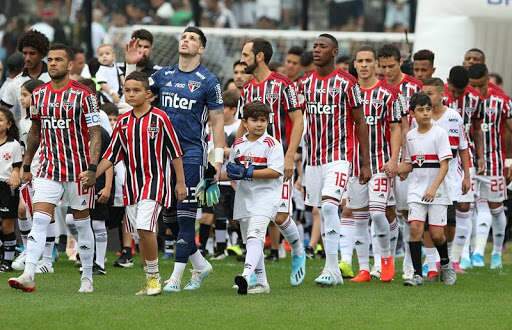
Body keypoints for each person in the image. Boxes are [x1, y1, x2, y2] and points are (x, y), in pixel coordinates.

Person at [7, 44, 102, 293]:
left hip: (78, 170)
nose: (53, 63)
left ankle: (87, 277)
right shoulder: (38, 95)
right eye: (50, 60)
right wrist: (27, 164)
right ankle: (29, 273)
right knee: (39, 219)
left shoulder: (85, 96)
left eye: (59, 60)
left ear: (70, 65)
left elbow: (95, 134)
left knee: (81, 224)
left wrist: (92, 168)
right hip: (48, 168)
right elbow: (36, 131)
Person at [150, 27, 226, 293]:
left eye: (193, 38)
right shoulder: (162, 75)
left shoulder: (208, 80)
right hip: (162, 154)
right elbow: (134, 91)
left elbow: (217, 122)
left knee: (185, 216)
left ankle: (175, 277)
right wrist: (132, 62)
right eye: (184, 37)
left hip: (192, 153)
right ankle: (201, 264)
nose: (186, 40)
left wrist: (217, 161)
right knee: (168, 215)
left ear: (201, 48)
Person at [97, 71, 186, 296]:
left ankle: (154, 279)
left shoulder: (160, 118)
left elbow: (175, 152)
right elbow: (111, 154)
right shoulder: (124, 122)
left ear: (148, 94)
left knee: (146, 227)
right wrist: (92, 175)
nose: (131, 94)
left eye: (136, 90)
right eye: (127, 90)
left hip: (156, 183)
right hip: (133, 186)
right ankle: (150, 280)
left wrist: (181, 183)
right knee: (141, 232)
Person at [296, 34, 370, 286]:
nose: (317, 50)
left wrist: (365, 162)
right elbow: (296, 120)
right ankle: (328, 266)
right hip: (314, 160)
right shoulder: (304, 83)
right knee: (320, 209)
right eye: (315, 46)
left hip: (340, 157)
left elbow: (361, 122)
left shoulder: (348, 83)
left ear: (334, 51)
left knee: (329, 206)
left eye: (322, 47)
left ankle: (332, 268)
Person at [237, 37, 306, 286]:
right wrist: (233, 155)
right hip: (253, 164)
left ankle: (298, 249)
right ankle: (257, 279)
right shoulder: (247, 89)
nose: (242, 58)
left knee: (278, 217)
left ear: (259, 57)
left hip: (278, 161)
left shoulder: (283, 84)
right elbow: (241, 127)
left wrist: (290, 156)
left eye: (246, 54)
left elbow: (298, 120)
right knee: (253, 221)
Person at [343, 46, 402, 283]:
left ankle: (385, 260)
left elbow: (397, 127)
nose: (365, 65)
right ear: (355, 64)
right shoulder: (347, 92)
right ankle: (365, 269)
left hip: (379, 163)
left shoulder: (389, 94)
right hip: (354, 165)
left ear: (375, 64)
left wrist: (394, 158)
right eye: (360, 61)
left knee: (378, 214)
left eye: (369, 61)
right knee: (358, 216)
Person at [225, 101, 283, 294]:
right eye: (254, 120)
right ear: (245, 122)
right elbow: (233, 170)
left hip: (266, 197)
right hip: (244, 197)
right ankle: (262, 283)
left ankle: (246, 275)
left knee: (255, 235)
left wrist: (247, 172)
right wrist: (211, 178)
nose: (259, 124)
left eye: (263, 120)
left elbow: (275, 171)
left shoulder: (272, 144)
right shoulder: (238, 143)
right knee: (252, 241)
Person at [398, 92, 456, 287]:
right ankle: (416, 274)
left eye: (428, 109)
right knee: (415, 228)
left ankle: (446, 265)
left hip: (437, 191)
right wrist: (396, 169)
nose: (425, 113)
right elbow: (410, 164)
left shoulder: (440, 133)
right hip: (416, 190)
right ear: (412, 113)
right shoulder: (410, 136)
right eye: (420, 110)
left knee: (437, 234)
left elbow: (444, 166)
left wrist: (432, 188)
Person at [378, 43, 422, 279]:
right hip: (382, 155)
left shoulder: (414, 87)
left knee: (406, 212)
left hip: (409, 157)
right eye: (383, 66)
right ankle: (385, 261)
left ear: (399, 62)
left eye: (391, 66)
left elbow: (417, 124)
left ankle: (408, 263)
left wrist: (407, 159)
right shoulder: (377, 86)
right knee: (385, 210)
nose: (387, 71)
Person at [422, 78, 471, 277]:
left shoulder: (453, 117)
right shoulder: (421, 117)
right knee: (427, 224)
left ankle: (447, 260)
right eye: (424, 93)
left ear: (442, 94)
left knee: (448, 225)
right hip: (426, 178)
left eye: (431, 93)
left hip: (450, 180)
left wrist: (467, 176)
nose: (427, 97)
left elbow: (463, 148)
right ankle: (431, 264)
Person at [468, 64, 512, 269]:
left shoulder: (502, 101)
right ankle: (472, 253)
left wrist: (509, 161)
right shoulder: (464, 99)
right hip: (469, 161)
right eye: (473, 86)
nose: (477, 91)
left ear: (487, 79)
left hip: (494, 161)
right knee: (469, 207)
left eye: (480, 86)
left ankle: (495, 253)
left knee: (495, 208)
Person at [443, 66, 485, 270]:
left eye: (462, 91)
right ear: (448, 83)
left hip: (464, 156)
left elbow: (477, 129)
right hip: (442, 157)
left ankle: (457, 258)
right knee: (441, 207)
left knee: (464, 206)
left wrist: (481, 156)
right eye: (454, 90)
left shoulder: (476, 99)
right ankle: (434, 258)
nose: (457, 94)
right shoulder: (439, 95)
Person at [10, 79, 44, 272]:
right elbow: (24, 149)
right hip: (29, 168)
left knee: (41, 211)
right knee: (23, 210)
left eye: (25, 95)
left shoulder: (42, 119)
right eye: (21, 95)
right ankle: (28, 249)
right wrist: (24, 167)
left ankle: (47, 254)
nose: (21, 99)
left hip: (44, 168)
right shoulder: (23, 121)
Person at [0, 29, 51, 121]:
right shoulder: (14, 83)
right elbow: (4, 114)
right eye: (24, 53)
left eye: (32, 53)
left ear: (42, 54)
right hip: (23, 133)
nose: (27, 58)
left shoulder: (53, 79)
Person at [0, 107, 22, 272]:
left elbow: (16, 167)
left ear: (8, 125)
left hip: (6, 187)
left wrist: (16, 175)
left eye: (1, 120)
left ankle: (7, 261)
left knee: (7, 225)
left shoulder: (14, 145)